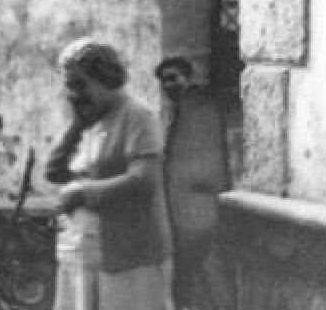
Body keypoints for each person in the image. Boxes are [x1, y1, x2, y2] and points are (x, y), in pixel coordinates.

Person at [46, 38, 173, 310]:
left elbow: (144, 181)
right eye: (69, 85)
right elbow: (54, 172)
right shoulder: (91, 117)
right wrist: (75, 128)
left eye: (80, 84)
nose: (72, 94)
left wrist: (82, 192)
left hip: (129, 259)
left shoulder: (139, 117)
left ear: (105, 79)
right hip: (83, 254)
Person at [156, 57, 234, 310]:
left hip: (197, 205)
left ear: (188, 78)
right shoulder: (185, 108)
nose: (169, 85)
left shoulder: (200, 108)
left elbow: (208, 160)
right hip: (188, 203)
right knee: (206, 266)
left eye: (174, 78)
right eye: (165, 80)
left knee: (194, 266)